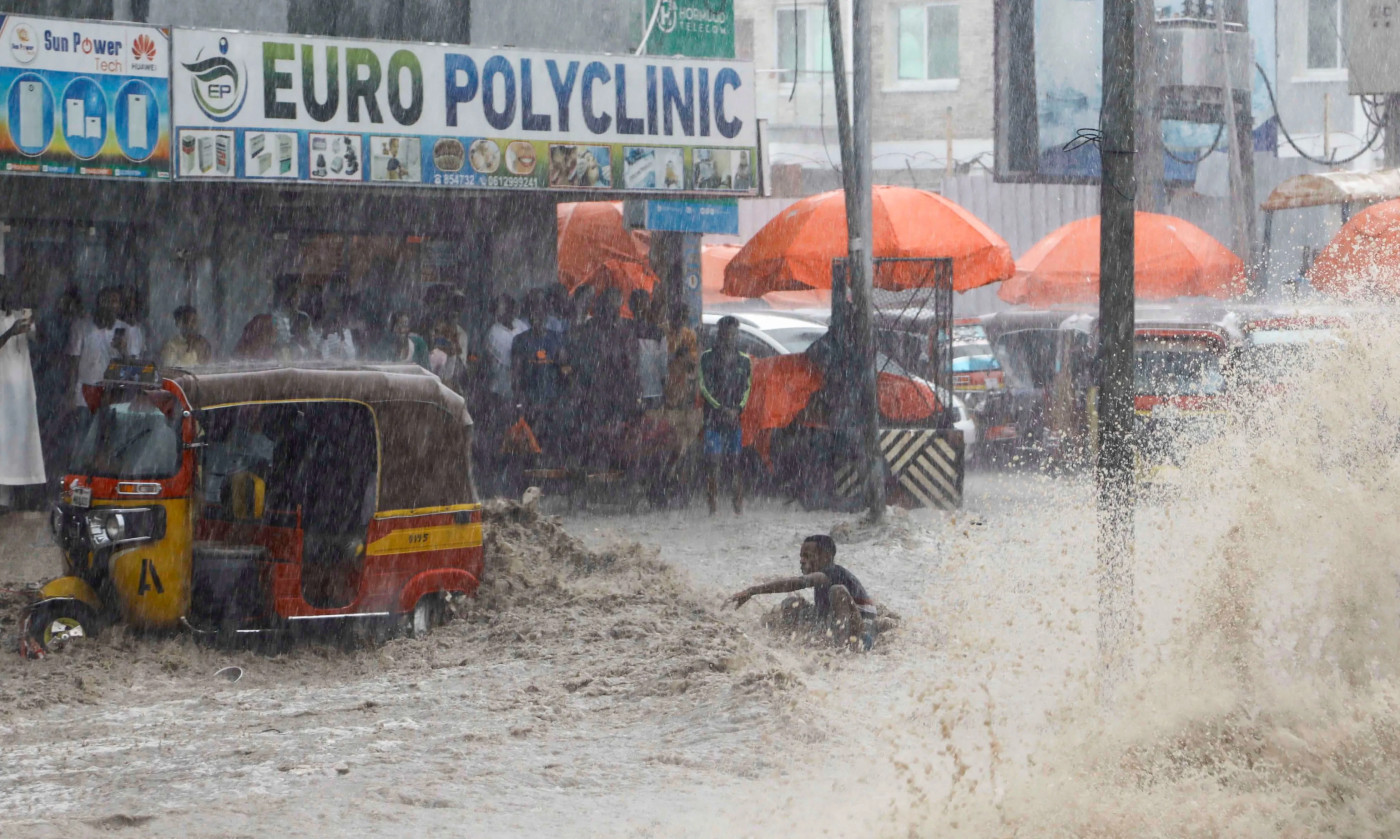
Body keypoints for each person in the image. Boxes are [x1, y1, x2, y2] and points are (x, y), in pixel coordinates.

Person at [728, 535, 878, 649]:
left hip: (863, 637)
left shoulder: (830, 572)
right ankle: (770, 643)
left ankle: (841, 652)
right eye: (800, 556)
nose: (801, 560)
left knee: (837, 591)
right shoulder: (825, 577)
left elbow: (795, 583)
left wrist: (752, 591)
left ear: (826, 557)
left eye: (807, 556)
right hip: (842, 625)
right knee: (792, 604)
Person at [698, 315, 752, 515]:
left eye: (733, 333)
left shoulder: (744, 361)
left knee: (736, 464)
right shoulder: (707, 358)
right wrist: (720, 409)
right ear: (720, 334)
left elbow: (747, 388)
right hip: (713, 421)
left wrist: (737, 409)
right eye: (726, 333)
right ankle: (712, 509)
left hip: (734, 421)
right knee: (713, 464)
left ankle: (738, 508)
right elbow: (704, 387)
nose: (730, 337)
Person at [0, 279, 44, 512]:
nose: (8, 295)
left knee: (21, 444)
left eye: (9, 291)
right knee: (3, 445)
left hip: (21, 393)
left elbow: (39, 340)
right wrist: (11, 331)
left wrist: (33, 323)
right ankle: (3, 502)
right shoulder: (8, 321)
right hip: (2, 393)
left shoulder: (20, 314)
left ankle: (17, 499)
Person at [68, 287, 140, 411]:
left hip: (114, 396)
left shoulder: (128, 330)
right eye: (106, 300)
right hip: (84, 395)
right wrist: (70, 393)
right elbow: (73, 364)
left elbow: (135, 371)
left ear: (119, 306)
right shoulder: (81, 327)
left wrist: (123, 352)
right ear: (98, 303)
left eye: (114, 301)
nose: (110, 305)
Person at [510, 294, 566, 451]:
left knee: (551, 447)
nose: (537, 314)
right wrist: (520, 401)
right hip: (530, 402)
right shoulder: (520, 341)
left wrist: (560, 399)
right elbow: (516, 373)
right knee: (530, 447)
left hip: (552, 400)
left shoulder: (556, 338)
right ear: (528, 314)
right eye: (533, 310)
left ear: (546, 312)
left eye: (541, 309)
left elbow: (564, 368)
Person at [630, 289, 667, 410]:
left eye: (643, 304)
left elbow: (663, 363)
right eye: (638, 304)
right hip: (641, 390)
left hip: (650, 390)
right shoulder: (657, 332)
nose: (640, 309)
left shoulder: (657, 332)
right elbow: (663, 363)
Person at [486, 295, 527, 402]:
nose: (507, 310)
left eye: (509, 306)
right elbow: (511, 358)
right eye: (503, 307)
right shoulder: (494, 332)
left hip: (522, 384)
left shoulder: (520, 324)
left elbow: (530, 344)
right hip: (502, 388)